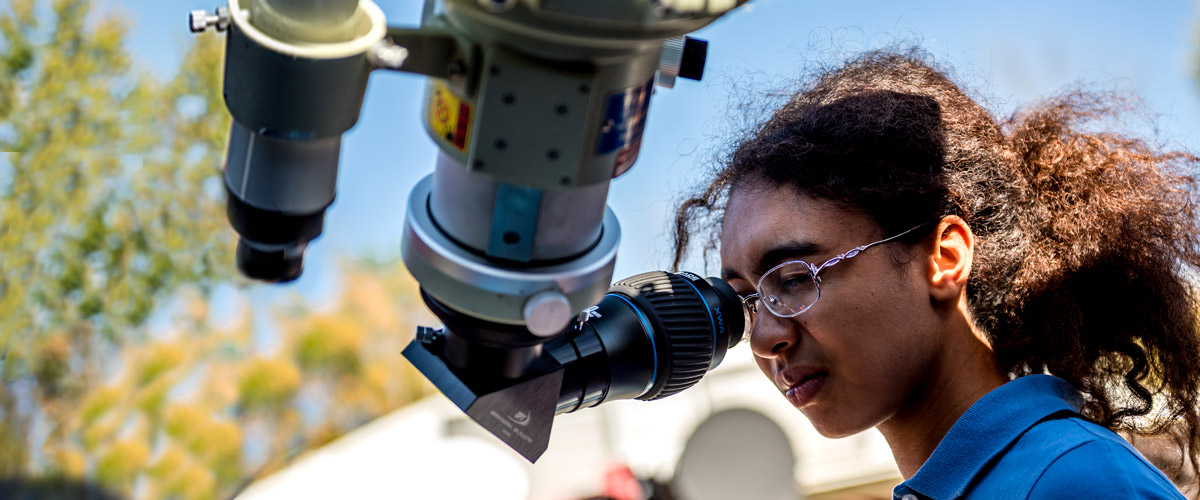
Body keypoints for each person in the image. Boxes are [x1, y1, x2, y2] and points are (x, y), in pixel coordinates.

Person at [671, 49, 1200, 499]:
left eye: (792, 279)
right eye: (746, 301)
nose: (765, 338)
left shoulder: (1068, 479)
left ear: (944, 258)